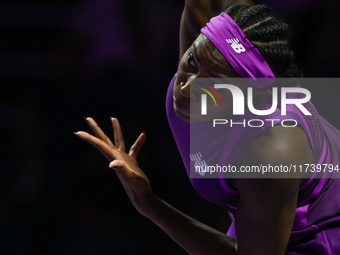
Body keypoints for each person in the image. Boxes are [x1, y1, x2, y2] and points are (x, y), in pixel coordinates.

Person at [75, 1, 340, 254]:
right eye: (191, 61)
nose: (187, 88)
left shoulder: (272, 148)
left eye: (213, 86)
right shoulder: (211, 48)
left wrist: (149, 204)